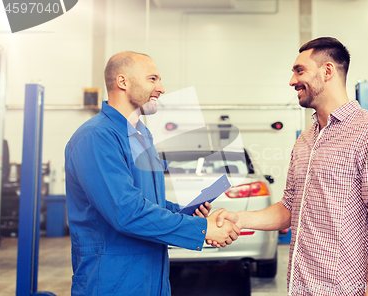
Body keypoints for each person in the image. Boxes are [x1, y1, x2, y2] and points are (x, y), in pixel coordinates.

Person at [211, 37, 368, 296]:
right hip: (300, 287)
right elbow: (290, 207)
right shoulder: (306, 139)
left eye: (299, 70)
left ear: (327, 71)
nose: (292, 81)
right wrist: (240, 218)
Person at [65, 51, 240, 296]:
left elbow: (146, 201)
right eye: (152, 79)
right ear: (123, 82)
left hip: (152, 278)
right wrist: (201, 229)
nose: (161, 88)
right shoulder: (97, 137)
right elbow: (126, 212)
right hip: (111, 280)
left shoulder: (141, 136)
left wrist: (184, 212)